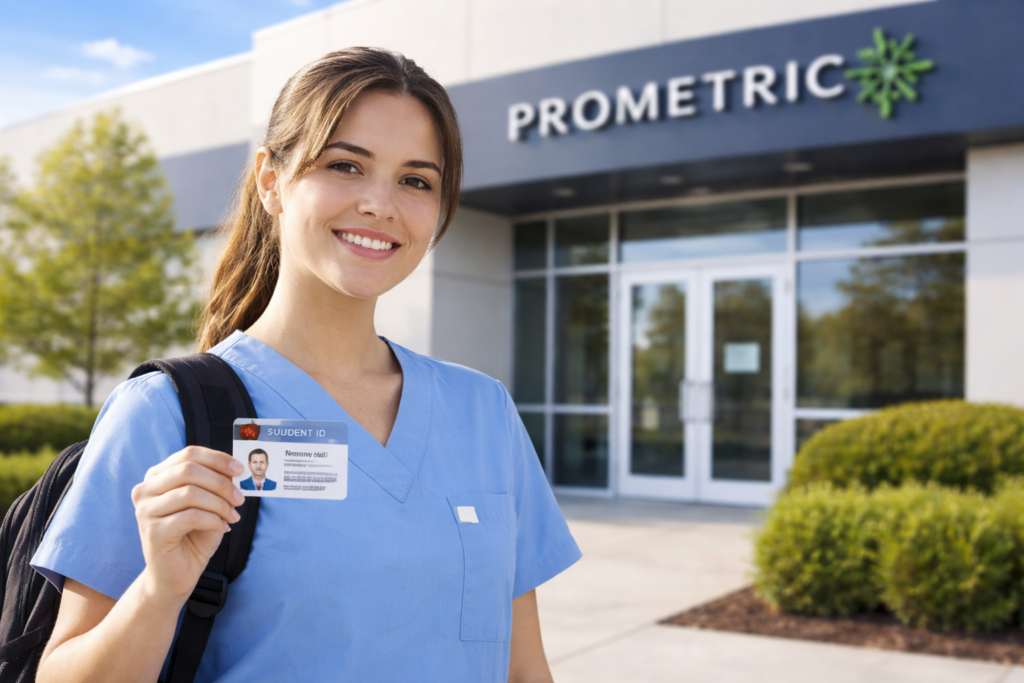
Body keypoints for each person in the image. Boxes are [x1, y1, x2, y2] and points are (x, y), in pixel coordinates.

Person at [31, 47, 580, 683]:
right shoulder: (166, 414)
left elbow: (524, 668)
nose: (381, 204)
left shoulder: (484, 413)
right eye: (345, 165)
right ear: (270, 181)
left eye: (416, 180)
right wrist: (159, 592)